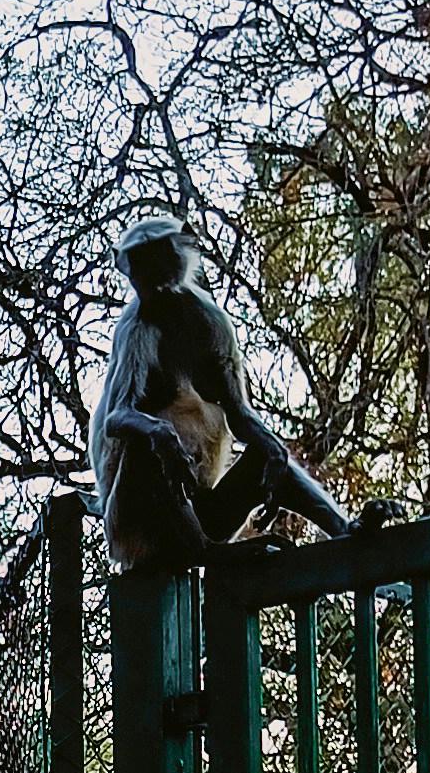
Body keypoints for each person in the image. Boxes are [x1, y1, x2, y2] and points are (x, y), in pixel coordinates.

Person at [87, 216, 364, 567]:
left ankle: (342, 528)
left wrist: (273, 449)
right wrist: (160, 434)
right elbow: (117, 418)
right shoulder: (138, 328)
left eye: (154, 256)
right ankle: (204, 552)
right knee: (146, 436)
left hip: (201, 509)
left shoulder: (210, 322)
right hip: (140, 524)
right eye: (137, 263)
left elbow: (240, 414)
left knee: (270, 452)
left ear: (182, 245)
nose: (147, 272)